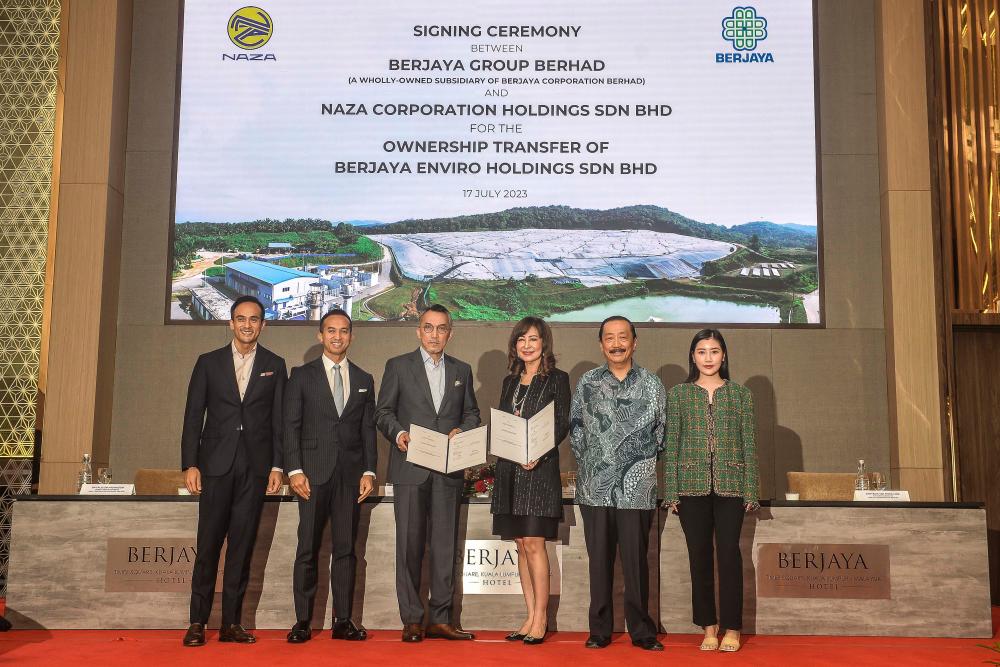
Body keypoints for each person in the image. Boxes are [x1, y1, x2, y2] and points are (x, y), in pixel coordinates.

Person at [180, 296, 287, 646]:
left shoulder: (275, 364)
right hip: (214, 466)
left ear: (263, 324)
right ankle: (197, 622)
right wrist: (190, 463)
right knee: (208, 546)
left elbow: (279, 422)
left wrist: (277, 465)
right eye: (241, 319)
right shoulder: (208, 363)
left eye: (254, 319)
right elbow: (194, 415)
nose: (247, 325)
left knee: (241, 549)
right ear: (230, 323)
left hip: (255, 469)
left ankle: (231, 624)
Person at [375, 304, 481, 643]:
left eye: (441, 329)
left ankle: (440, 618)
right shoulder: (398, 366)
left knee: (444, 546)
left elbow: (472, 415)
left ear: (450, 333)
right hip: (410, 468)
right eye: (428, 328)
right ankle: (412, 619)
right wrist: (398, 433)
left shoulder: (462, 369)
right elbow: (383, 412)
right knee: (409, 545)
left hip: (448, 471)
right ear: (418, 331)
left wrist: (462, 431)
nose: (434, 335)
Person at [569, 316, 665, 652]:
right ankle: (599, 629)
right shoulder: (588, 382)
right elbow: (576, 427)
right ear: (601, 344)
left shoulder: (652, 384)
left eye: (623, 337)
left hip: (637, 490)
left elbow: (661, 432)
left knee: (637, 563)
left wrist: (639, 463)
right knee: (599, 562)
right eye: (609, 338)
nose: (617, 343)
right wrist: (591, 461)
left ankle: (642, 630)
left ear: (634, 342)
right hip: (594, 487)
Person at [663, 329, 760, 653]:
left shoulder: (740, 395)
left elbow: (749, 445)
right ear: (693, 356)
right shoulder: (678, 394)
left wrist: (751, 491)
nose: (708, 358)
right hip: (691, 488)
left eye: (714, 351)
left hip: (732, 486)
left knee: (730, 557)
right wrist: (672, 492)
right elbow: (672, 444)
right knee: (699, 558)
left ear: (724, 356)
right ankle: (708, 627)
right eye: (702, 351)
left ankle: (732, 627)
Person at [284, 309, 377, 644]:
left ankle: (342, 620)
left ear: (351, 336)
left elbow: (367, 430)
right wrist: (294, 470)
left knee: (346, 550)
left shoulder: (365, 379)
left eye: (344, 331)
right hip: (311, 475)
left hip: (350, 477)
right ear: (319, 335)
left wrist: (369, 470)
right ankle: (303, 621)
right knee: (307, 548)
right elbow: (290, 426)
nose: (338, 336)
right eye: (331, 330)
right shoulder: (301, 375)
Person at [490, 317, 571, 645]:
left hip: (539, 472)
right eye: (521, 339)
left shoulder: (557, 379)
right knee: (520, 545)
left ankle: (541, 619)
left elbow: (562, 421)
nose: (527, 345)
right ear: (515, 345)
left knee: (536, 545)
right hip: (510, 471)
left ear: (544, 344)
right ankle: (529, 615)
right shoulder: (510, 382)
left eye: (533, 339)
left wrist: (538, 451)